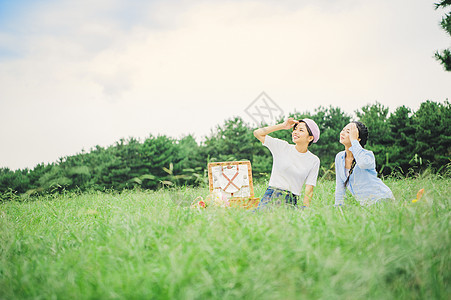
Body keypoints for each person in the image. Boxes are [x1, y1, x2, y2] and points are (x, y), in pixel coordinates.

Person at [253, 117, 320, 210]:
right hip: (272, 195)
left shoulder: (314, 160)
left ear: (310, 138)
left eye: (301, 130)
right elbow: (257, 133)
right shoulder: (282, 147)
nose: (295, 132)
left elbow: (309, 188)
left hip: (291, 201)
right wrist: (282, 126)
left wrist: (305, 208)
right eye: (295, 129)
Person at [335, 122, 394, 206]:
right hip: (366, 205)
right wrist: (338, 206)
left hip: (382, 198)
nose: (342, 133)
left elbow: (362, 163)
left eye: (348, 132)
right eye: (343, 130)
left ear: (358, 139)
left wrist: (354, 141)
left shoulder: (367, 155)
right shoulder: (339, 157)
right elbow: (340, 186)